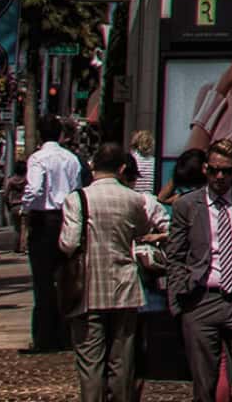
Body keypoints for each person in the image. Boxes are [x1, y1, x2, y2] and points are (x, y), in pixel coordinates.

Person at [165, 141, 232, 402]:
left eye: (226, 171)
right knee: (205, 386)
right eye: (214, 170)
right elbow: (175, 256)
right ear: (205, 169)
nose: (219, 177)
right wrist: (178, 303)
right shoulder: (187, 206)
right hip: (201, 299)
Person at [62, 145, 164, 402]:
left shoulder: (77, 199)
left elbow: (69, 243)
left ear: (93, 167)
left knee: (90, 362)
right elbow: (142, 229)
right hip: (124, 288)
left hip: (88, 289)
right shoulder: (134, 199)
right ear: (122, 168)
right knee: (122, 361)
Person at [20, 116, 87, 353]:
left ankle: (44, 336)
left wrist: (25, 208)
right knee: (66, 279)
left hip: (43, 220)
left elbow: (34, 188)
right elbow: (78, 189)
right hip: (66, 218)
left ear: (40, 135)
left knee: (43, 281)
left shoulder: (38, 158)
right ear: (60, 135)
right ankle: (64, 334)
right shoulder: (71, 159)